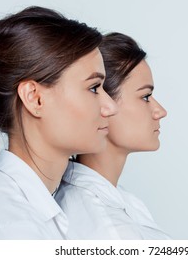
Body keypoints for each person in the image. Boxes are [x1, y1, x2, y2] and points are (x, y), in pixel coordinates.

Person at [0, 6, 117, 239]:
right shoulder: (10, 229)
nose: (111, 107)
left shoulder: (41, 209)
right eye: (93, 88)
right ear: (34, 98)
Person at [55, 32, 170, 239]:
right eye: (145, 97)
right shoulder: (106, 228)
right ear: (104, 104)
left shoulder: (122, 202)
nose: (160, 111)